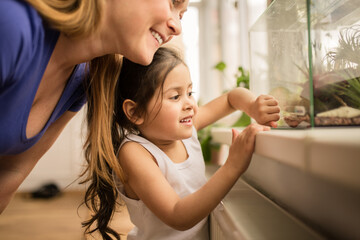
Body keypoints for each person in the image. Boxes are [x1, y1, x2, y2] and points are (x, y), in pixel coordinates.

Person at [0, 0, 189, 214]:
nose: (177, 27)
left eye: (181, 15)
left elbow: (11, 172)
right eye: (172, 2)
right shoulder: (11, 26)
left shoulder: (84, 79)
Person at [82, 47, 281, 239]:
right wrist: (233, 165)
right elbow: (178, 216)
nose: (190, 104)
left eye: (190, 93)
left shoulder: (186, 128)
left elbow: (231, 99)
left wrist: (253, 106)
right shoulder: (134, 153)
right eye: (175, 96)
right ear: (135, 112)